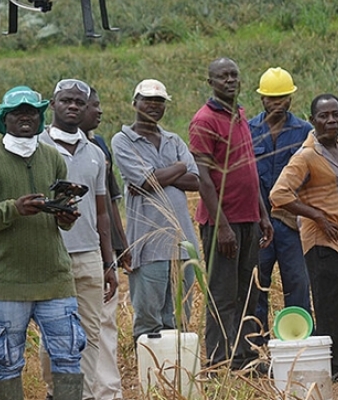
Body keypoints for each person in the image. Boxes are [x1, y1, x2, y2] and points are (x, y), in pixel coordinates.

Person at [0, 86, 86, 400]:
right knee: (6, 362)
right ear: (4, 118)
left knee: (68, 356)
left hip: (54, 279)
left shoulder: (52, 157)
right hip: (6, 283)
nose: (26, 117)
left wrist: (65, 217)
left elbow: (59, 212)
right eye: (18, 112)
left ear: (41, 118)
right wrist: (13, 209)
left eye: (32, 112)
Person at [188, 57, 273, 373]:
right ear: (210, 82)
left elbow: (250, 169)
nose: (229, 80)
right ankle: (218, 362)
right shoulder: (204, 120)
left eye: (234, 75)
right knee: (223, 295)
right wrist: (222, 227)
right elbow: (204, 178)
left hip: (249, 218)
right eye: (222, 76)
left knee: (247, 293)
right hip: (222, 223)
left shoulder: (239, 113)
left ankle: (246, 358)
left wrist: (262, 214)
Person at [270, 94, 338, 383]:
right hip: (322, 241)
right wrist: (317, 216)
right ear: (312, 121)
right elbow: (279, 194)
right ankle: (331, 368)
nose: (331, 120)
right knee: (328, 304)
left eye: (336, 114)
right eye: (324, 116)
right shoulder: (307, 155)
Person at [38, 78, 118, 400]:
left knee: (90, 335)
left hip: (89, 257)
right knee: (54, 336)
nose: (72, 106)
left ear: (86, 109)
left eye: (79, 103)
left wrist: (108, 260)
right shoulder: (39, 147)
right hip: (51, 254)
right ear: (53, 104)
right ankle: (55, 392)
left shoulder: (96, 153)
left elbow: (102, 212)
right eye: (66, 100)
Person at [111, 79, 201, 341]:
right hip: (149, 245)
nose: (153, 105)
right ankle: (150, 376)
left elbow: (194, 181)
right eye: (147, 100)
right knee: (149, 320)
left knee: (180, 318)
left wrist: (158, 177)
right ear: (134, 103)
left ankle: (177, 376)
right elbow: (146, 181)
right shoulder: (123, 140)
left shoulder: (173, 139)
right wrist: (179, 167)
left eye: (159, 101)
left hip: (183, 245)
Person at [247, 67, 313, 340]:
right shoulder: (248, 130)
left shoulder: (305, 131)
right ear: (262, 99)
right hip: (257, 224)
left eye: (283, 98)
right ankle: (256, 344)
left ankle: (299, 341)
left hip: (292, 224)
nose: (277, 103)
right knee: (257, 285)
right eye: (271, 98)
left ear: (291, 99)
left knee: (297, 283)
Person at [78, 85, 131, 400]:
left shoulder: (99, 145)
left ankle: (108, 392)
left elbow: (110, 201)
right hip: (71, 250)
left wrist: (119, 244)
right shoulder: (47, 147)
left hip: (101, 250)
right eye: (93, 106)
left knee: (105, 322)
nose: (99, 111)